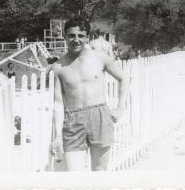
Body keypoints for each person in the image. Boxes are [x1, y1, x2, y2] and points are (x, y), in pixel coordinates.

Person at [51, 16, 129, 171]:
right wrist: (58, 134)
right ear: (65, 36)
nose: (76, 40)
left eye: (80, 36)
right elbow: (58, 103)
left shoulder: (100, 58)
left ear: (87, 37)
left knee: (99, 174)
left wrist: (120, 108)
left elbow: (124, 78)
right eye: (71, 35)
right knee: (75, 177)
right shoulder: (58, 67)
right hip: (73, 120)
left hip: (99, 116)